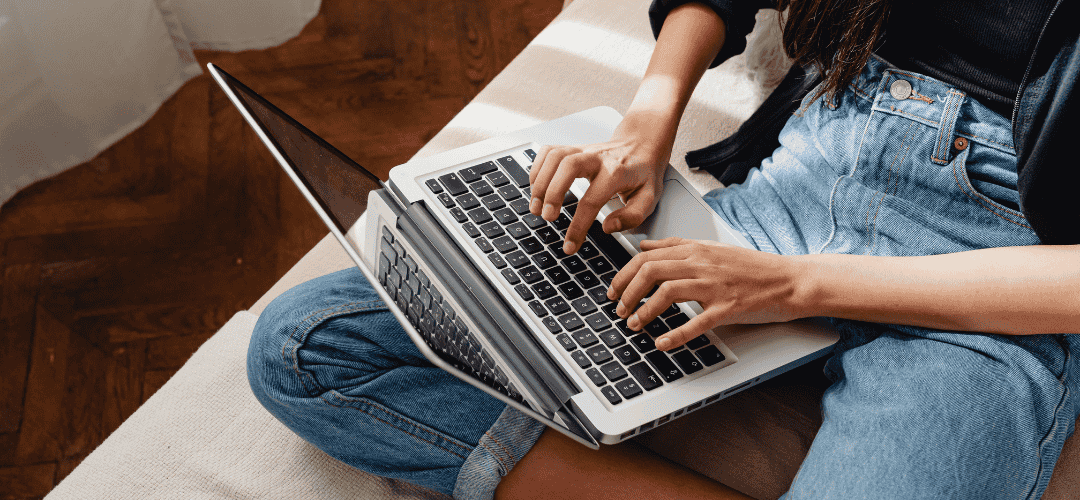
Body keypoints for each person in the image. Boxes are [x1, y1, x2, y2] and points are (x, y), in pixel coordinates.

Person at [246, 0, 1080, 498]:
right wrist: (647, 120)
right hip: (810, 169)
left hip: (995, 272)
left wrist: (792, 286)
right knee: (312, 346)